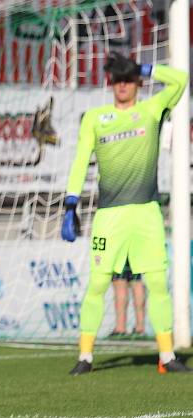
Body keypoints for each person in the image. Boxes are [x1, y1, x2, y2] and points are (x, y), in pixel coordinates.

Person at [62, 52, 190, 375]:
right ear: (110, 83)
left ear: (137, 83)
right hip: (109, 216)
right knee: (98, 283)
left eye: (128, 79)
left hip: (147, 213)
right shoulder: (95, 117)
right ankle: (85, 357)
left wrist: (144, 68)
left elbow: (181, 80)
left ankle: (167, 356)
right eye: (117, 79)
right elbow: (80, 160)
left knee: (158, 283)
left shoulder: (150, 110)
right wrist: (70, 203)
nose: (122, 85)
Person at [109, 260, 147, 339]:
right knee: (137, 281)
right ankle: (140, 328)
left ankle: (120, 328)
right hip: (136, 252)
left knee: (120, 283)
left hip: (121, 253)